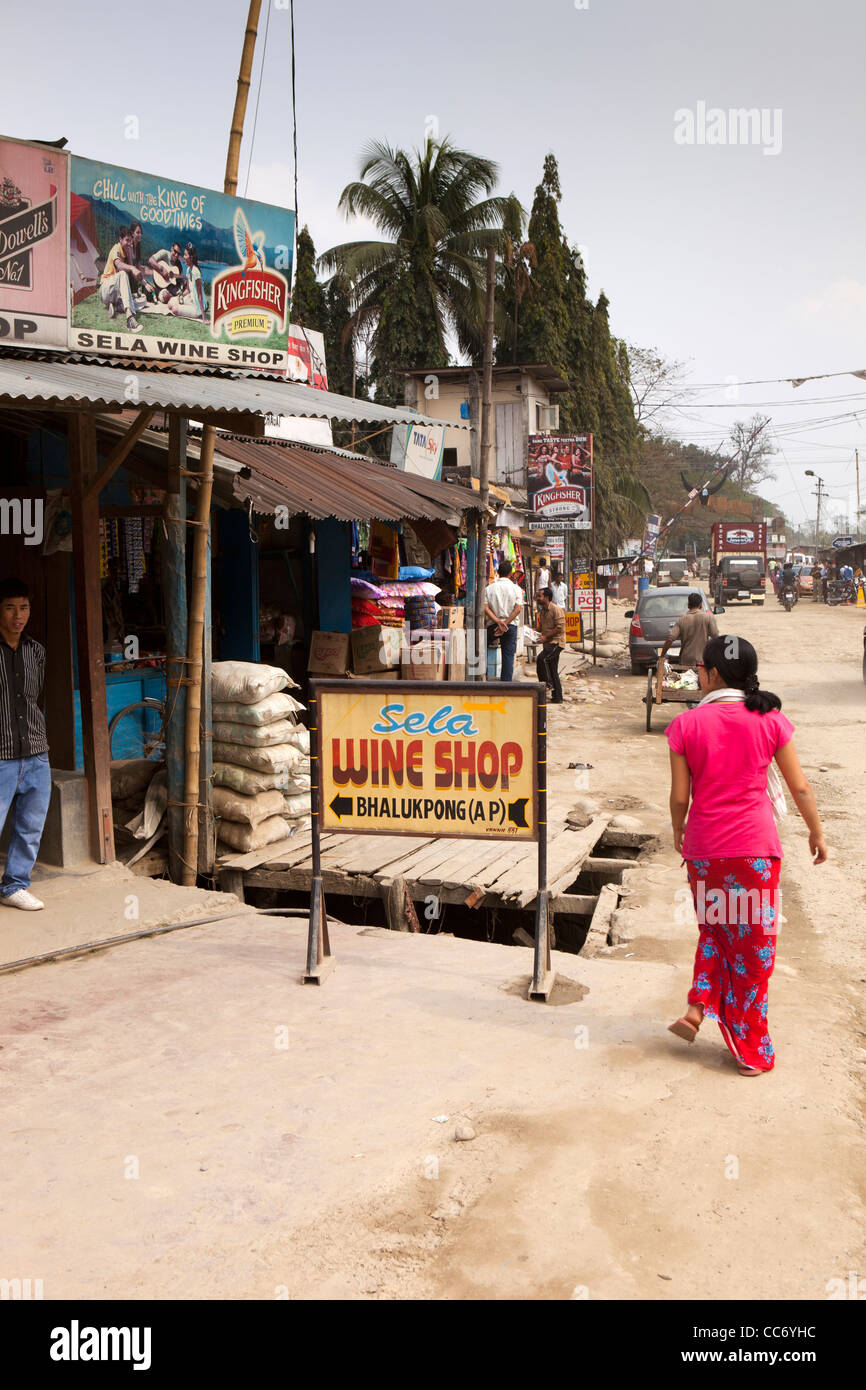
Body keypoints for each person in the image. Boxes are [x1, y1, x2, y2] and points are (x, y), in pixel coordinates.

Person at [666, 635, 827, 1075]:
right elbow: (799, 787)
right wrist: (816, 833)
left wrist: (679, 832)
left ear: (714, 673)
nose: (697, 674)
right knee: (753, 949)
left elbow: (680, 797)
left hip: (705, 852)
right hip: (755, 853)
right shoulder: (770, 719)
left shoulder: (686, 725)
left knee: (716, 931)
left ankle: (700, 1003)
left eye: (700, 668)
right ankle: (751, 1049)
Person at [0, 578, 52, 911]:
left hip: (35, 752)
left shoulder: (37, 652)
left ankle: (14, 885)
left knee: (30, 826)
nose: (18, 615)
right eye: (9, 607)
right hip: (1, 754)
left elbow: (36, 699)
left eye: (24, 607)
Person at [483, 560, 524, 681]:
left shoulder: (489, 588)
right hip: (510, 625)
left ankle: (482, 678)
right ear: (511, 574)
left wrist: (498, 622)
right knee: (508, 655)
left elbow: (485, 608)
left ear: (498, 573)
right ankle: (506, 684)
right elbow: (517, 609)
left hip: (492, 625)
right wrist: (504, 623)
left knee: (482, 649)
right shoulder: (516, 588)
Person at [99, 226, 144, 331]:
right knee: (123, 274)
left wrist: (129, 256)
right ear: (120, 239)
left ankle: (115, 307)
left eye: (130, 241)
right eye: (127, 240)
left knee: (142, 300)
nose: (129, 243)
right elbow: (119, 265)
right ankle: (129, 318)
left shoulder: (125, 252)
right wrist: (132, 268)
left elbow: (133, 275)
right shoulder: (116, 249)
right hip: (105, 290)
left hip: (114, 294)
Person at [660, 592, 718, 667]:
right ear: (700, 605)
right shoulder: (708, 618)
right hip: (702, 660)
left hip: (686, 660)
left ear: (688, 605)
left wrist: (662, 656)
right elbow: (716, 637)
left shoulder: (682, 620)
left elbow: (670, 640)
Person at [536, 586, 565, 703]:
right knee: (553, 669)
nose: (537, 598)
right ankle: (557, 697)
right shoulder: (542, 611)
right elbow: (541, 627)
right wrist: (532, 631)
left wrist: (545, 637)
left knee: (542, 659)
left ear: (546, 597)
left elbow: (559, 628)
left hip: (556, 643)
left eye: (540, 596)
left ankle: (548, 684)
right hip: (548, 643)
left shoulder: (556, 609)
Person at [169, 243, 207, 321]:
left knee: (174, 309)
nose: (183, 257)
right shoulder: (188, 270)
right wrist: (180, 296)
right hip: (190, 299)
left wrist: (204, 318)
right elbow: (188, 290)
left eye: (185, 255)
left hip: (197, 307)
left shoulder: (196, 272)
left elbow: (200, 296)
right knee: (170, 303)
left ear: (191, 257)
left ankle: (200, 313)